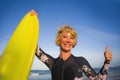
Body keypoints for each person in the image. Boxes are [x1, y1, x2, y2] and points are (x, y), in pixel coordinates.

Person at [36, 24, 112, 80]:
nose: (68, 40)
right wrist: (31, 19)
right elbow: (35, 49)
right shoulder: (52, 63)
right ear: (59, 40)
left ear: (74, 42)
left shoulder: (80, 61)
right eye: (65, 36)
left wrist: (107, 62)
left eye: (72, 38)